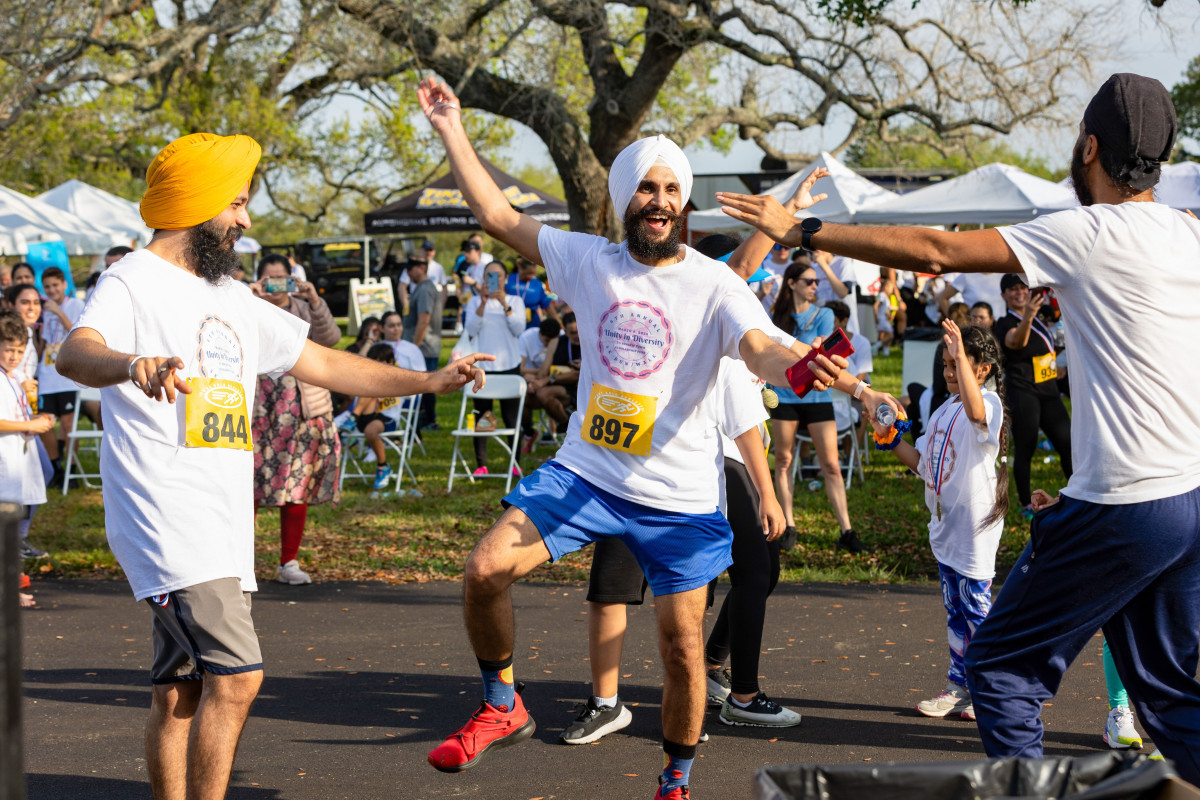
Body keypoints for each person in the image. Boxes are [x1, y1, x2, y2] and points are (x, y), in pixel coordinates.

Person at [716, 73, 1200, 784]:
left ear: (1090, 146)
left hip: (1124, 504)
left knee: (999, 671)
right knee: (1170, 697)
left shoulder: (1088, 230)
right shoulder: (1188, 235)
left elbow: (936, 251)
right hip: (1186, 500)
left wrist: (802, 231)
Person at [416, 77, 886, 800]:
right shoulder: (588, 260)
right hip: (588, 474)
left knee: (681, 650)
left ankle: (675, 780)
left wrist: (801, 364)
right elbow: (494, 212)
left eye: (672, 189)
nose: (660, 200)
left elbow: (758, 347)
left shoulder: (714, 283)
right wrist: (450, 125)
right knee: (484, 570)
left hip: (678, 497)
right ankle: (502, 705)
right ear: (625, 198)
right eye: (646, 188)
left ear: (684, 202)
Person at [54, 131, 491, 800]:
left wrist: (426, 382)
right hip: (168, 515)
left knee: (180, 690)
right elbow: (75, 352)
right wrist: (130, 364)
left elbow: (319, 360)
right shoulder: (132, 279)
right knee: (238, 677)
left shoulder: (227, 294)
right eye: (234, 202)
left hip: (220, 521)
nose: (245, 219)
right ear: (197, 203)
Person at [871, 321, 1009, 721]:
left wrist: (962, 353)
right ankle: (960, 687)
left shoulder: (987, 404)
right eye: (946, 363)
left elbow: (976, 412)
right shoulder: (944, 409)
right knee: (955, 611)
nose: (949, 371)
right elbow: (923, 465)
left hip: (973, 527)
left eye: (957, 363)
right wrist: (890, 439)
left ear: (982, 368)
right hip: (945, 527)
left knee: (976, 611)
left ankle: (992, 693)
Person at [249, 253, 343, 586]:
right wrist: (249, 297)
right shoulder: (248, 305)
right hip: (257, 410)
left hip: (301, 409)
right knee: (247, 487)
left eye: (282, 279)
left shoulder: (303, 307)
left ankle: (289, 560)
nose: (275, 286)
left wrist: (315, 300)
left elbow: (331, 340)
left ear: (293, 279)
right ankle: (239, 563)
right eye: (268, 279)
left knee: (296, 484)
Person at [766, 261, 865, 554]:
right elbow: (773, 352)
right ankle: (789, 525)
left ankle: (846, 529)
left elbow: (815, 354)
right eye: (808, 281)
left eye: (815, 282)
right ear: (792, 283)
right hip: (784, 396)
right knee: (783, 461)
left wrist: (791, 354)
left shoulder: (825, 314)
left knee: (832, 465)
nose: (814, 286)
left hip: (817, 398)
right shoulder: (775, 315)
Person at [992, 273, 1072, 517]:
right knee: (1026, 448)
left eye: (1022, 288)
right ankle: (1027, 503)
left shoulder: (1037, 319)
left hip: (1048, 390)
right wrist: (1027, 314)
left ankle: (1077, 495)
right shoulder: (1005, 322)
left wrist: (1056, 365)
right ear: (1004, 295)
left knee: (1068, 444)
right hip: (1023, 391)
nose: (1019, 292)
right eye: (1012, 289)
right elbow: (1016, 343)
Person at [0, 310, 54, 605]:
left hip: (15, 465)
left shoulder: (11, 378)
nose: (14, 356)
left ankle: (10, 589)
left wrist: (37, 420)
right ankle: (8, 593)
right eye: (8, 349)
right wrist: (30, 425)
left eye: (19, 351)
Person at [463, 260, 526, 475]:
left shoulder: (515, 301)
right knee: (482, 416)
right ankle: (481, 465)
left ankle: (514, 464)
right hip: (482, 368)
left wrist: (504, 306)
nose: (494, 280)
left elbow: (519, 329)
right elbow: (470, 330)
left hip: (509, 365)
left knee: (511, 418)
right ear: (483, 279)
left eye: (498, 275)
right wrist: (482, 304)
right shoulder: (474, 302)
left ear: (506, 278)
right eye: (489, 275)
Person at [35, 266, 85, 485]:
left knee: (67, 424)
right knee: (44, 422)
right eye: (47, 286)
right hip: (47, 373)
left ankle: (71, 470)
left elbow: (77, 332)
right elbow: (45, 341)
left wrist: (58, 311)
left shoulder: (76, 305)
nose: (52, 289)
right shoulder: (45, 308)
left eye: (55, 285)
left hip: (66, 375)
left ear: (65, 285)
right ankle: (55, 467)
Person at [353, 343, 404, 492]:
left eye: (379, 362)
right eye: (373, 362)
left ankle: (383, 466)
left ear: (390, 362)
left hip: (387, 419)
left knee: (370, 431)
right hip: (367, 416)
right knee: (370, 386)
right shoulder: (369, 377)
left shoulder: (398, 376)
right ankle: (352, 418)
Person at [402, 257, 443, 430]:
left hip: (424, 347)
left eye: (410, 270)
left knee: (427, 386)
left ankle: (429, 421)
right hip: (422, 347)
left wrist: (413, 347)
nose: (408, 275)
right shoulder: (421, 288)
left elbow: (423, 320)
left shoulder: (425, 289)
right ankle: (424, 420)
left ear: (420, 268)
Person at [518, 317, 562, 451]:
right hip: (530, 380)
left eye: (552, 342)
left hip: (552, 380)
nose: (549, 345)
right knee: (521, 398)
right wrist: (538, 375)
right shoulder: (527, 337)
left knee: (548, 394)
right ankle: (528, 432)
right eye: (546, 341)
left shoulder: (562, 337)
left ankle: (555, 431)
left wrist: (540, 375)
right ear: (540, 334)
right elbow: (520, 367)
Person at [506, 256, 556, 329]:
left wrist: (559, 324)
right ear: (520, 267)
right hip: (511, 320)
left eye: (533, 274)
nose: (531, 277)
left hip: (532, 324)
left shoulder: (537, 284)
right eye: (529, 273)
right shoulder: (508, 280)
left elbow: (547, 305)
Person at [397, 238, 448, 309]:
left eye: (430, 250)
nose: (428, 253)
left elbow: (444, 287)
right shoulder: (413, 266)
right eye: (426, 250)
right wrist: (406, 306)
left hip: (431, 302)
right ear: (420, 250)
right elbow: (402, 286)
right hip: (417, 301)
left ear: (423, 268)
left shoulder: (438, 268)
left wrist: (441, 305)